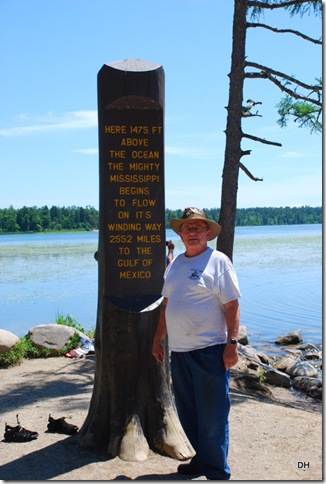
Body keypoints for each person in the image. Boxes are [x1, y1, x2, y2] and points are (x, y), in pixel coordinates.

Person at [152, 207, 241, 480]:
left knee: (213, 415)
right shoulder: (177, 264)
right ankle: (202, 460)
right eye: (187, 228)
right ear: (180, 235)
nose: (192, 232)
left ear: (207, 233)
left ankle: (217, 472)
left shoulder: (218, 262)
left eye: (197, 228)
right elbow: (167, 304)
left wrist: (232, 343)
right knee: (189, 413)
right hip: (179, 352)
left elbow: (233, 304)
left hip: (210, 352)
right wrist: (158, 339)